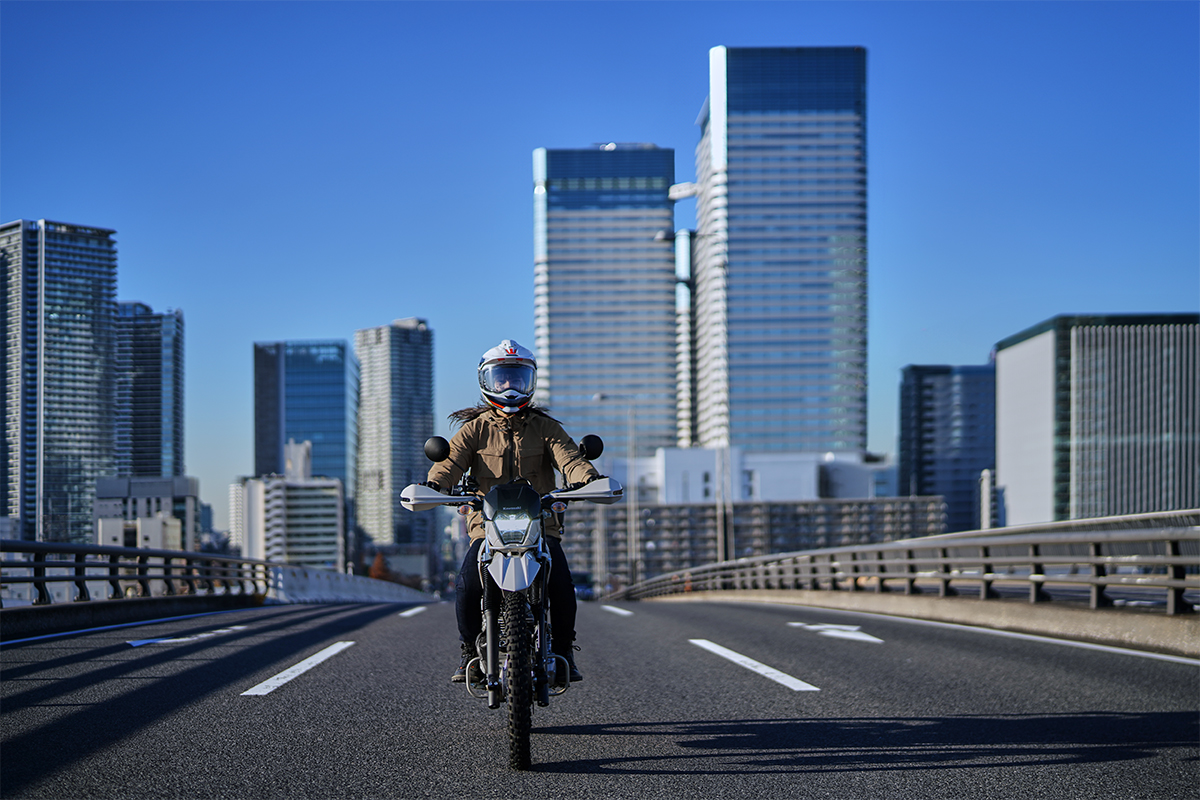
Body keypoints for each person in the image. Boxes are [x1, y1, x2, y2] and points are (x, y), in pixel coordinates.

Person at [424, 339, 600, 684]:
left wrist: (589, 478)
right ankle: (469, 653)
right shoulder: (475, 429)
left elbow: (569, 458)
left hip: (539, 524)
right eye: (501, 378)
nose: (509, 386)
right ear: (487, 381)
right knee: (467, 584)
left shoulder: (545, 427)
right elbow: (450, 461)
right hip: (487, 527)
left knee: (562, 584)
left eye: (516, 378)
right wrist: (435, 485)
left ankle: (564, 650)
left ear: (529, 381)